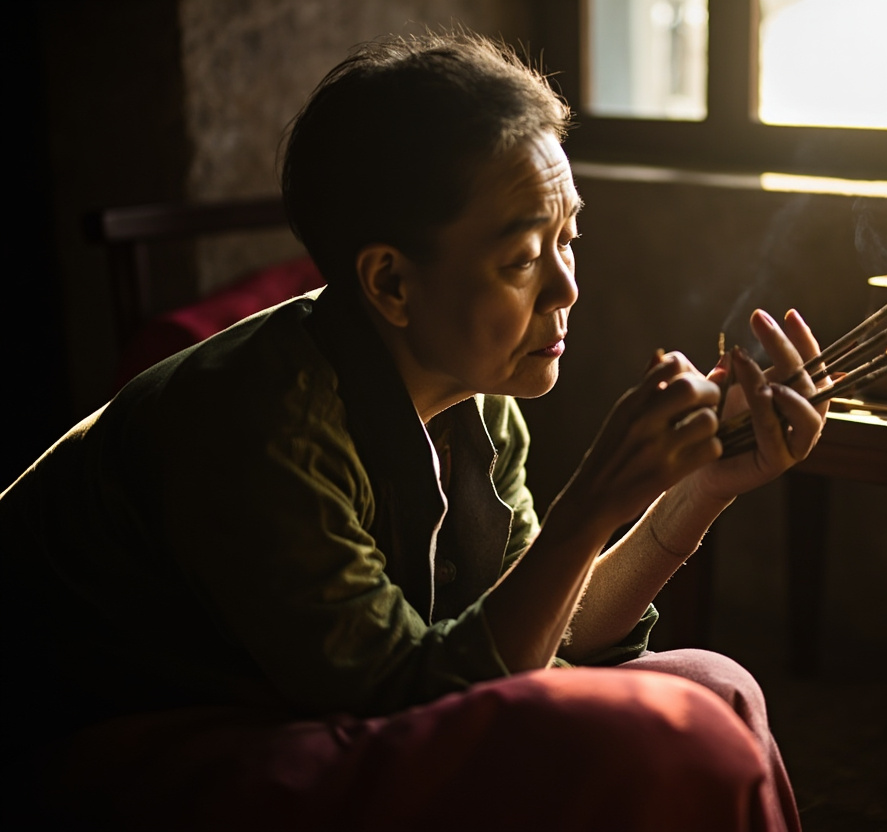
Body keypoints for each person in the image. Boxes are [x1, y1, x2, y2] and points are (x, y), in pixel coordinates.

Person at [2, 31, 827, 831]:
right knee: (669, 739)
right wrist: (594, 500)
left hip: (313, 706)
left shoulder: (477, 396)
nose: (567, 288)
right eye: (522, 258)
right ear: (391, 282)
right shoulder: (259, 424)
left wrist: (695, 488)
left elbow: (547, 632)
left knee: (715, 687)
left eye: (569, 237)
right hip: (112, 744)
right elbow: (417, 701)